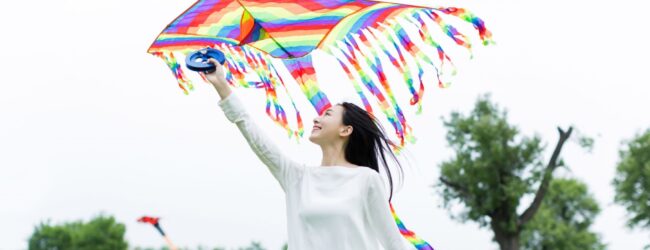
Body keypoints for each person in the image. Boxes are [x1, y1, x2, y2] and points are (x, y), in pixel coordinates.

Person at [204, 58, 413, 250]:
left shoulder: (366, 179)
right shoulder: (298, 178)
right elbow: (256, 138)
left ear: (346, 130)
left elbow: (393, 243)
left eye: (327, 114)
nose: (316, 118)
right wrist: (221, 86)